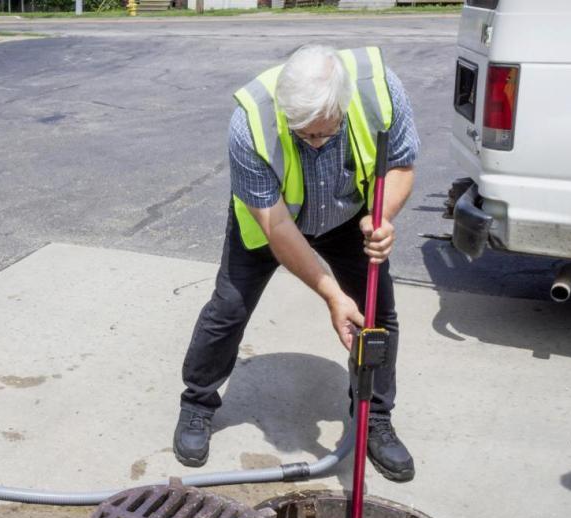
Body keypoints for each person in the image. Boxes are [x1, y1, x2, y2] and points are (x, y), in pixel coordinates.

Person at [174, 44, 420, 482]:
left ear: (342, 106)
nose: (316, 142)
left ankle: (374, 418)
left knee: (378, 315)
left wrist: (382, 217)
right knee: (228, 308)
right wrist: (331, 294)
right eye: (304, 134)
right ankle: (197, 403)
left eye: (326, 133)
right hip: (276, 220)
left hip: (348, 216)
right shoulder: (249, 122)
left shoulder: (379, 91)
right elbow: (279, 229)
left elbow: (401, 164)